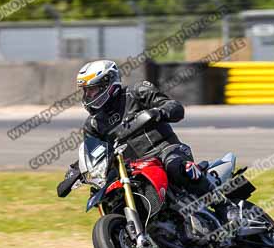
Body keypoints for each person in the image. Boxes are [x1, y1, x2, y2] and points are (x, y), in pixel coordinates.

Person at [58, 59, 212, 199]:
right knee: (106, 195)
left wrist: (158, 112)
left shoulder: (137, 93)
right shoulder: (93, 125)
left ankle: (221, 204)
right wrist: (75, 171)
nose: (88, 96)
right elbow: (94, 153)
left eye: (92, 90)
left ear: (108, 84)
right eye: (85, 91)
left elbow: (175, 107)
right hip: (131, 169)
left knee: (175, 168)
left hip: (164, 151)